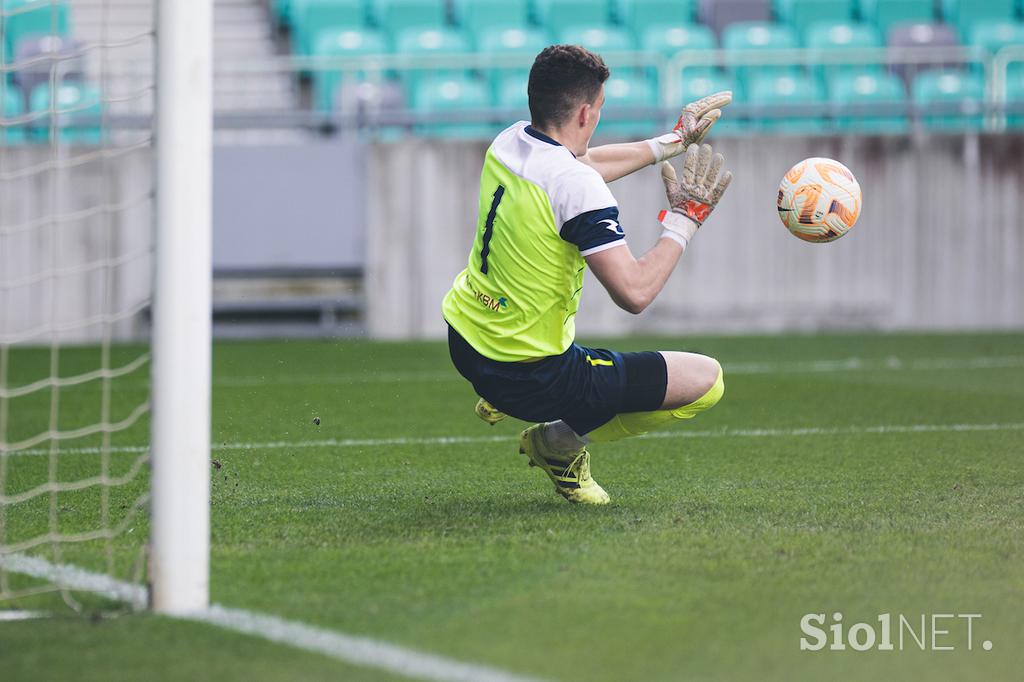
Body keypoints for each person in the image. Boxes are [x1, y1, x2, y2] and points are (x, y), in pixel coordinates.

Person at [441, 45, 734, 505]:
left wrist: (675, 141)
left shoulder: (510, 141)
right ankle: (557, 443)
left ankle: (500, 395)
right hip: (532, 375)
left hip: (465, 339)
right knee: (706, 381)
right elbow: (634, 293)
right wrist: (685, 219)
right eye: (598, 110)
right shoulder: (575, 186)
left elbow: (581, 168)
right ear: (584, 112)